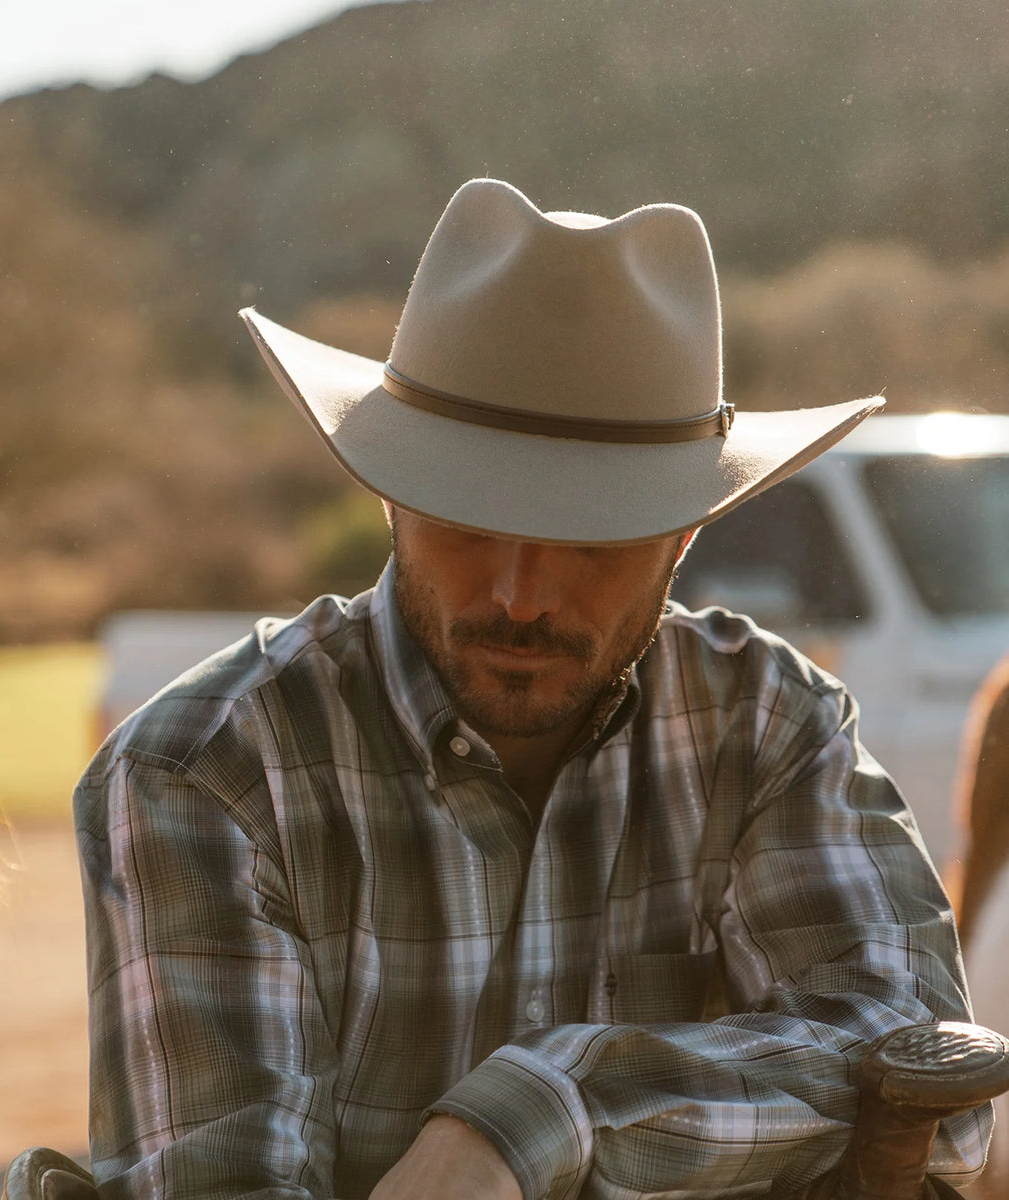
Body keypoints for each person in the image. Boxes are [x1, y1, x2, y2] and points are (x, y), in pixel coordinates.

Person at [75, 179, 990, 1199]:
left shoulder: (769, 726)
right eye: (465, 523)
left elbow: (930, 1096)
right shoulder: (208, 772)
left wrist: (544, 1108)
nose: (519, 596)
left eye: (590, 542)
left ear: (687, 534)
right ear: (389, 493)